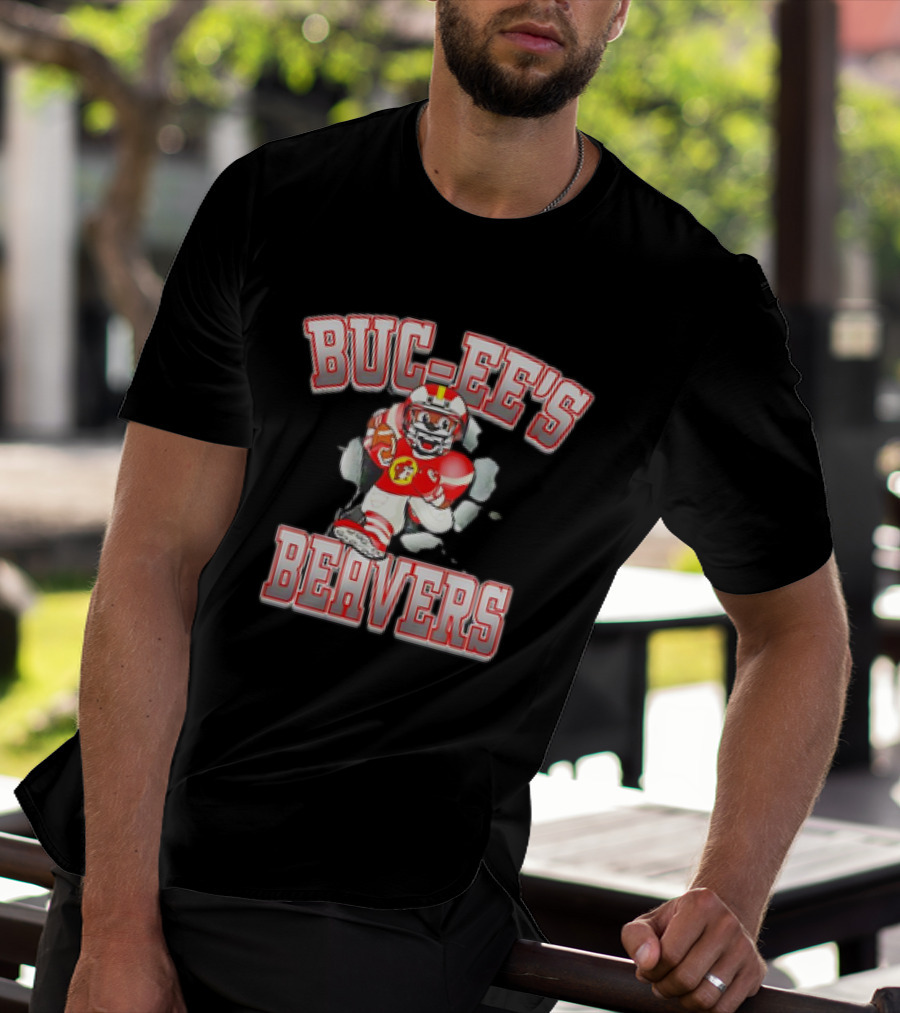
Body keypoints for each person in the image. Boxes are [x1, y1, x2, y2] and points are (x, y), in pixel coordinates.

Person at [17, 1, 852, 1011]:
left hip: (384, 921)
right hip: (139, 878)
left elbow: (799, 628)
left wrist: (730, 888)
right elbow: (149, 564)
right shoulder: (271, 205)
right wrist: (115, 922)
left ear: (622, 10)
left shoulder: (689, 304)